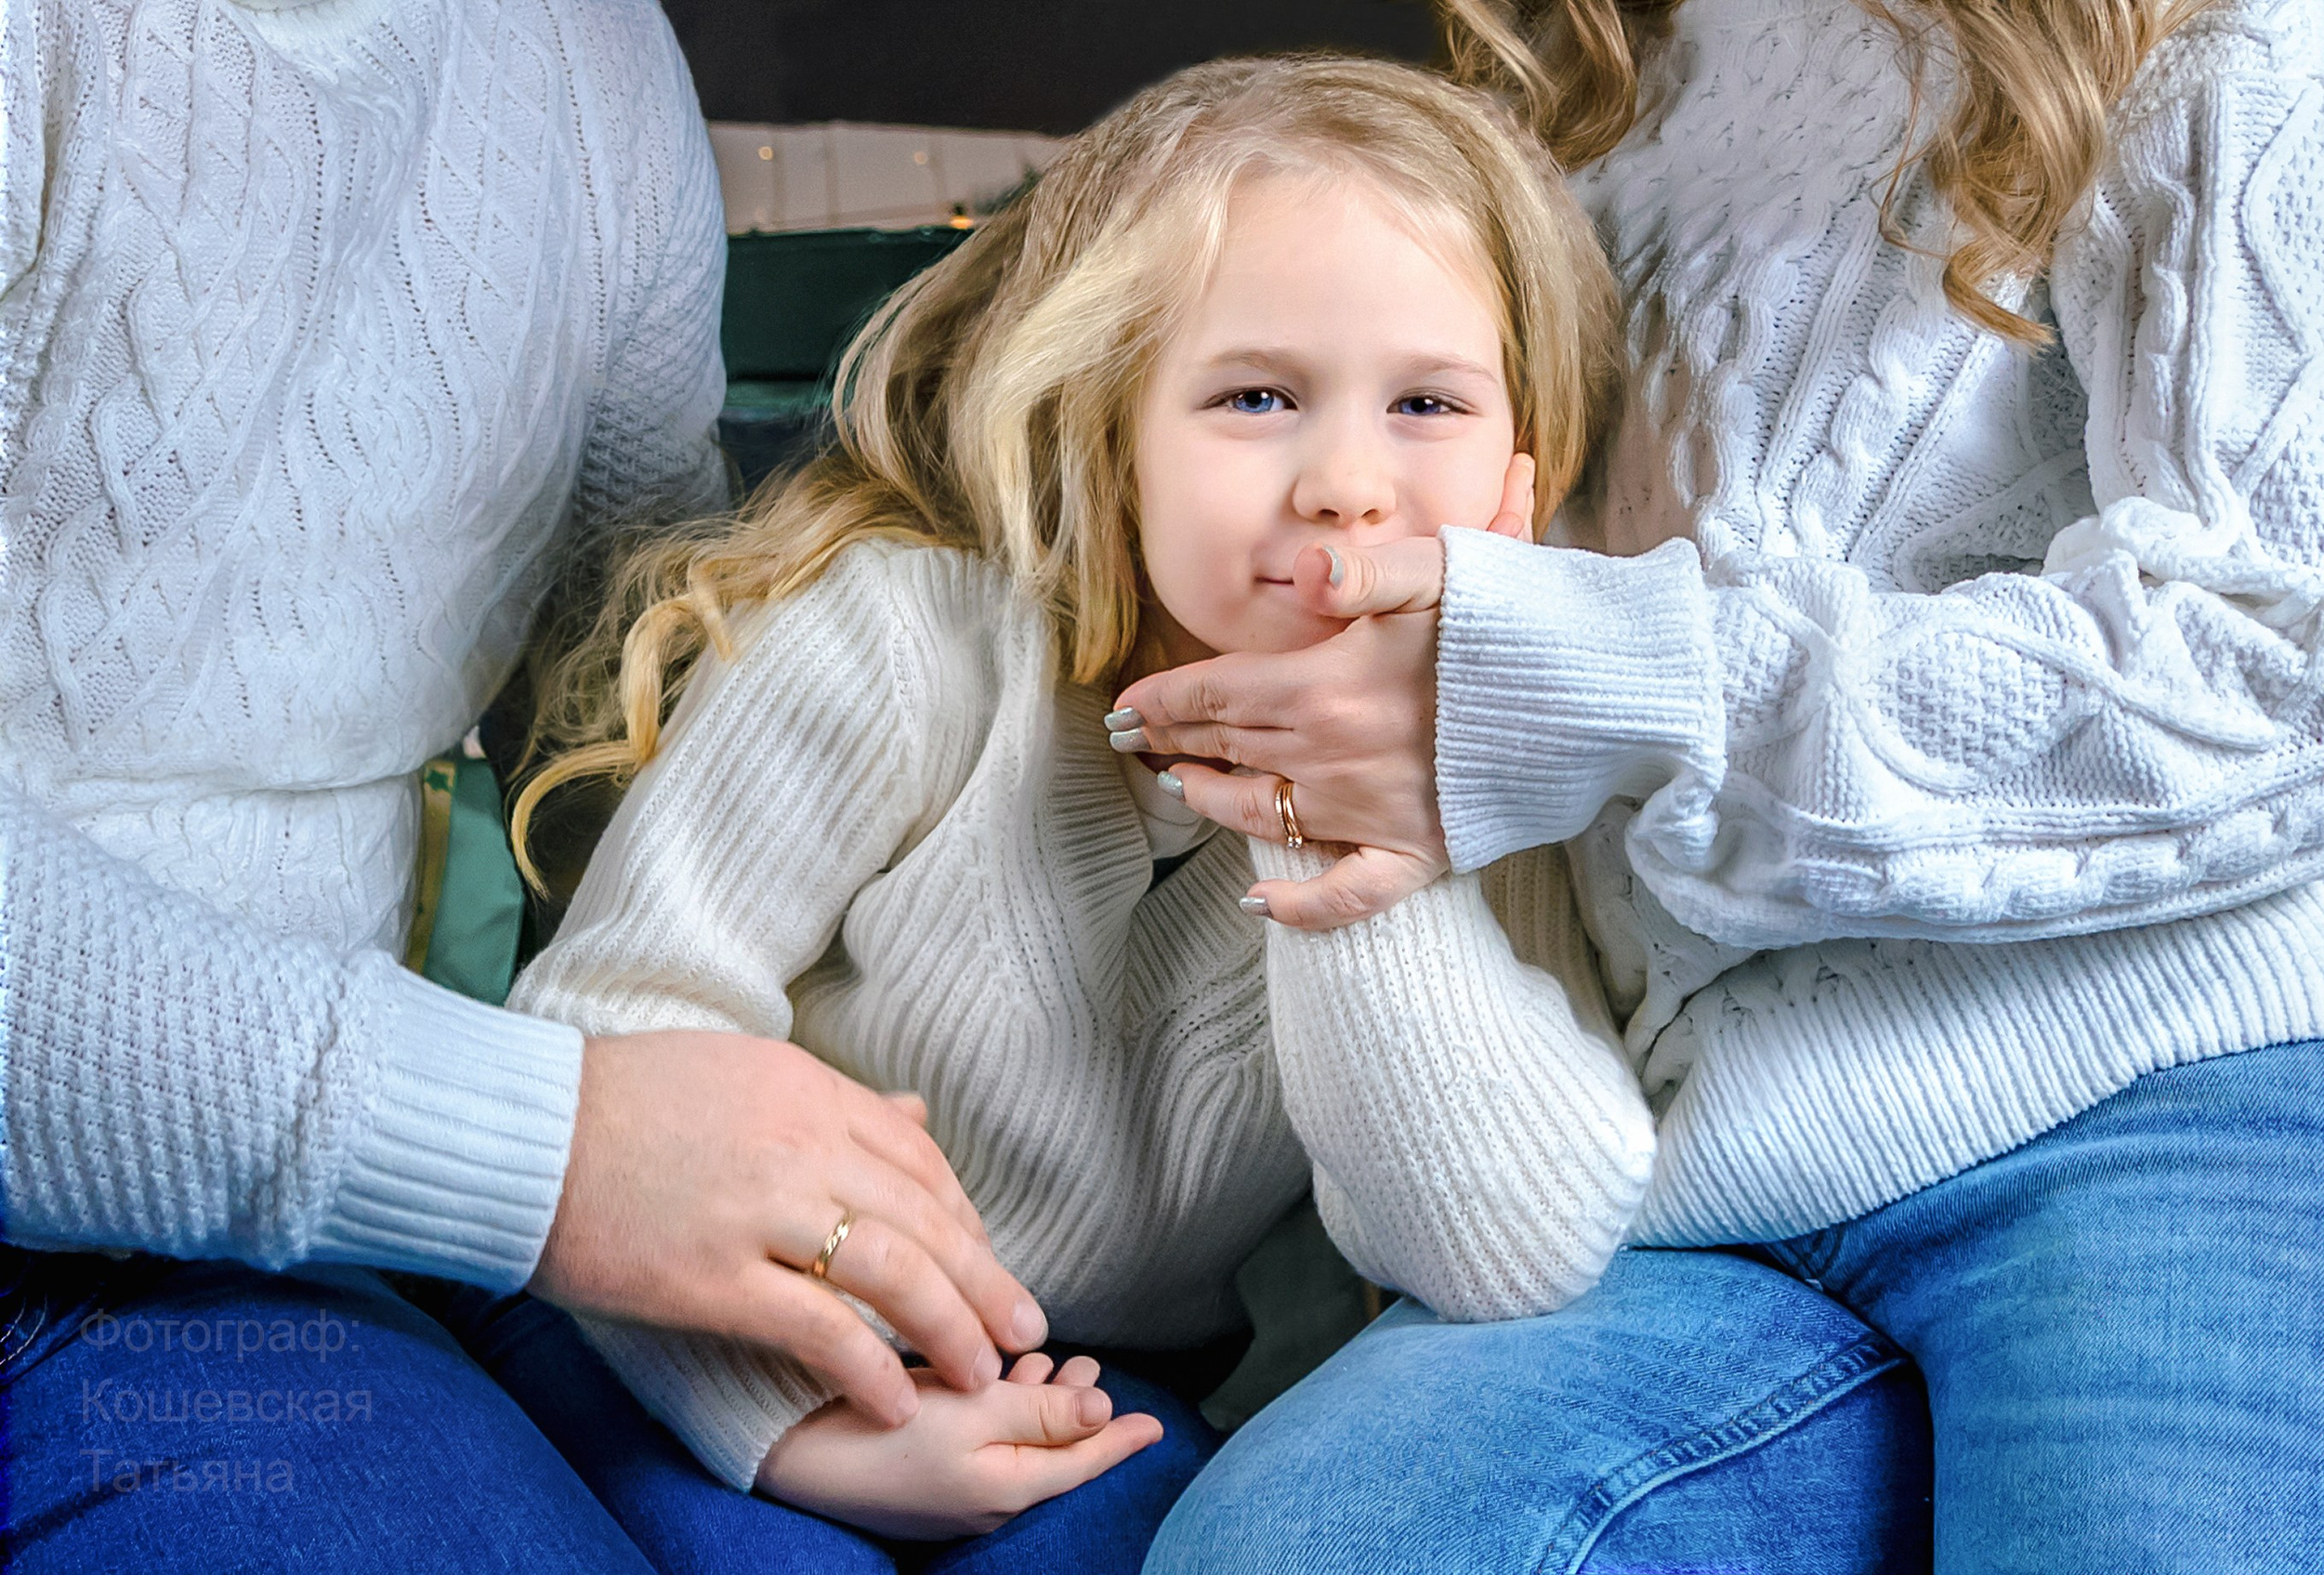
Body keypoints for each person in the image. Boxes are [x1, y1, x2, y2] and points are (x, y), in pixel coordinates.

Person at [1123, 0, 2324, 1568]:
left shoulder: (2222, 39)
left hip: (2164, 1094)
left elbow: (2296, 665)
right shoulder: (1574, 72)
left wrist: (1607, 683)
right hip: (1707, 1159)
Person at [497, 53, 1658, 1571]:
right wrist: (799, 1424)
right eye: (1256, 396)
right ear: (1112, 428)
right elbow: (610, 1041)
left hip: (1088, 1396)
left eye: (1426, 403)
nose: (1349, 487)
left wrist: (1344, 824)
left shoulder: (1478, 786)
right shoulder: (904, 648)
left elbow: (1504, 1251)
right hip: (687, 1341)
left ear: (1520, 479)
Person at [0, 1, 1040, 1568]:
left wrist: (808, 1213)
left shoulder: (584, 62)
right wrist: (555, 1154)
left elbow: (622, 707)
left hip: (361, 1199)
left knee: (1018, 1521)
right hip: (117, 1240)